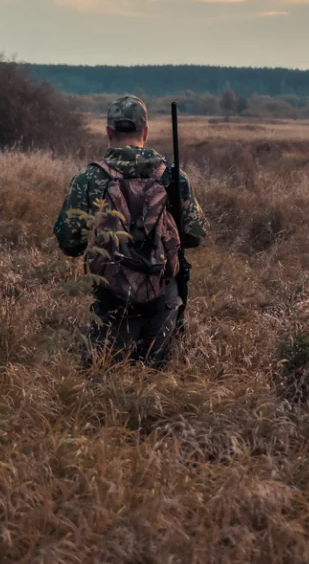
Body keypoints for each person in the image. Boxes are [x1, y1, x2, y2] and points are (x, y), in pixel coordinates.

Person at [54, 95, 209, 369]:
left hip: (111, 297)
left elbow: (69, 241)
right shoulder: (172, 176)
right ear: (145, 132)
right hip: (163, 296)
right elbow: (195, 235)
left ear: (109, 131)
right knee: (155, 384)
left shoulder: (90, 178)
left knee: (102, 379)